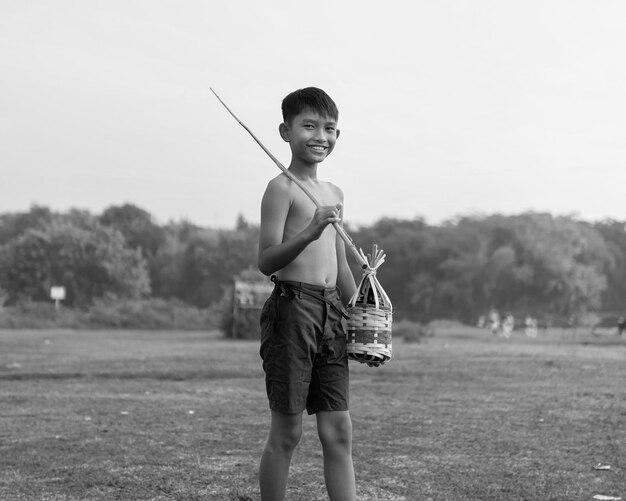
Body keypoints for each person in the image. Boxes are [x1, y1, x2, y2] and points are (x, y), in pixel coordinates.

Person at [257, 87, 358, 501]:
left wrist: (363, 307)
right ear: (286, 131)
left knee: (339, 430)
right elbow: (266, 260)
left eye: (330, 128)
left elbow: (341, 264)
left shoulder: (333, 194)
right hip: (292, 308)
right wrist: (311, 229)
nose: (321, 135)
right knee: (288, 431)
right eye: (310, 126)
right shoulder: (281, 188)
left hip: (331, 311)